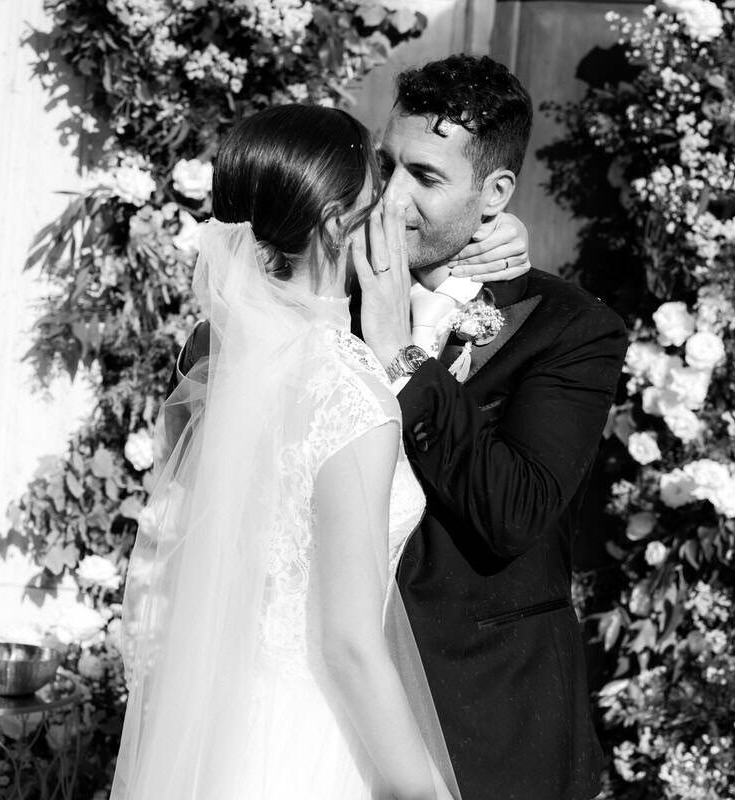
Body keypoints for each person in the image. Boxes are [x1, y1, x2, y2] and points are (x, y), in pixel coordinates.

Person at [112, 104, 461, 799]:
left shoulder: (228, 359)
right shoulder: (348, 391)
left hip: (227, 730)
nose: (392, 212)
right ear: (335, 224)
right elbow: (349, 646)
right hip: (314, 745)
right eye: (376, 198)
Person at [356, 55, 627, 800]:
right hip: (326, 702)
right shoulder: (333, 288)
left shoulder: (571, 329)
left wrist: (403, 358)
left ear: (495, 195)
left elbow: (513, 512)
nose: (392, 198)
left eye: (425, 176)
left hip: (490, 717)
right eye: (385, 165)